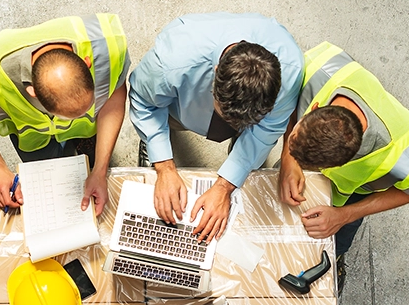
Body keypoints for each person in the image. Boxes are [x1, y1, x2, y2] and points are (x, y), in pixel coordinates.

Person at [128, 12, 303, 241]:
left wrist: (225, 187)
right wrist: (164, 166)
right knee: (163, 123)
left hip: (241, 111)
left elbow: (266, 131)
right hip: (184, 107)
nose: (232, 125)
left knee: (251, 145)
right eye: (226, 116)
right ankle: (156, 145)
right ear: (216, 70)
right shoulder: (172, 62)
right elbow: (143, 101)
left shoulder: (291, 70)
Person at [0, 14, 130, 213]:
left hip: (87, 134)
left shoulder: (107, 50)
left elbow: (114, 95)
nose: (80, 118)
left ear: (87, 63)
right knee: (47, 172)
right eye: (69, 117)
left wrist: (100, 170)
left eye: (87, 108)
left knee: (91, 152)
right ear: (33, 93)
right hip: (34, 138)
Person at [278, 41, 409, 260]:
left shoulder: (403, 155)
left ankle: (336, 259)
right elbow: (289, 102)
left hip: (350, 199)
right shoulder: (318, 67)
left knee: (336, 242)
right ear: (314, 107)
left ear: (341, 165)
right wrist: (287, 158)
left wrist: (343, 215)